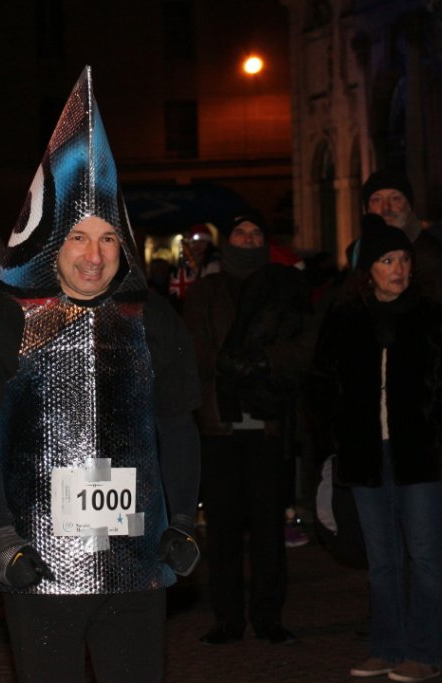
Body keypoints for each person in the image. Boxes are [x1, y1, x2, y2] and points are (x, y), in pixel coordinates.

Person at [0, 67, 201, 683]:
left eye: (109, 238)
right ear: (51, 242)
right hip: (41, 564)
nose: (94, 255)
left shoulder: (152, 318)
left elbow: (178, 425)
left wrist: (184, 521)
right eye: (79, 237)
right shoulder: (4, 316)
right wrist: (2, 537)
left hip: (135, 562)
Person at [315, 214, 442, 682]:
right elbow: (323, 383)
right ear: (369, 268)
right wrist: (336, 435)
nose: (399, 268)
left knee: (426, 557)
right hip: (366, 455)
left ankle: (425, 651)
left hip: (420, 457)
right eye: (388, 260)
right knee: (382, 560)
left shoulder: (430, 316)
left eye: (405, 259)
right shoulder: (347, 317)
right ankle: (387, 646)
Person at [183, 210, 314, 646]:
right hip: (219, 424)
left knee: (267, 528)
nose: (247, 238)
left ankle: (268, 616)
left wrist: (263, 364)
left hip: (267, 424)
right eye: (240, 232)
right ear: (229, 240)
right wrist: (225, 363)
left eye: (255, 233)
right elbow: (194, 345)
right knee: (222, 529)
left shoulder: (283, 288)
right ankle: (227, 619)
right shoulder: (207, 289)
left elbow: (299, 345)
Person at [361, 169, 442, 302]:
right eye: (376, 200)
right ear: (367, 209)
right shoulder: (361, 251)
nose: (385, 208)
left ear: (409, 206)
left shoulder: (429, 256)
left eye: (395, 199)